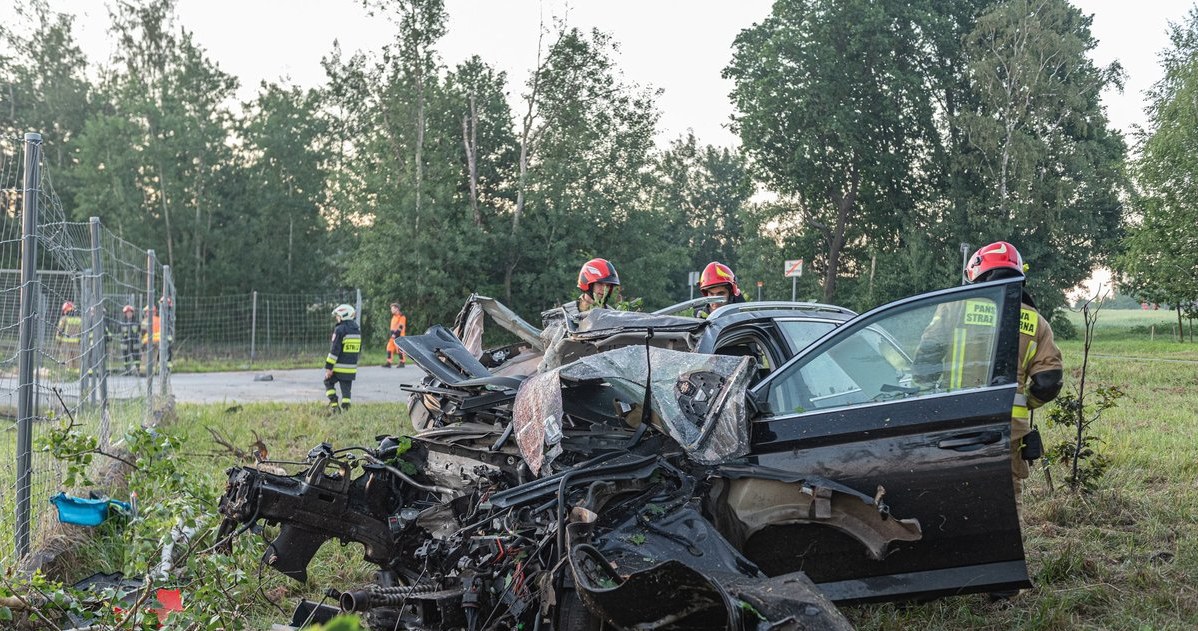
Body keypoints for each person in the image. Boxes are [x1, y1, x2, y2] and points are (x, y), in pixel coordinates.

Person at [914, 241, 1063, 503]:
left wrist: (924, 393)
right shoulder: (1035, 321)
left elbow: (927, 355)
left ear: (977, 274)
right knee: (1005, 503)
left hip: (954, 426)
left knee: (952, 498)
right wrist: (1025, 403)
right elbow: (1049, 380)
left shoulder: (954, 307)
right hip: (1008, 432)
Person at [325, 303, 361, 412]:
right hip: (351, 368)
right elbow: (358, 350)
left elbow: (334, 350)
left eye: (338, 316)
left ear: (343, 315)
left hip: (338, 367)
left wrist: (329, 367)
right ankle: (346, 408)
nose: (337, 318)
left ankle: (334, 404)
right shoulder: (357, 330)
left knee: (328, 382)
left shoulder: (340, 330)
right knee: (346, 391)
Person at [117, 304, 142, 375]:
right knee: (126, 357)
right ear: (125, 314)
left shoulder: (136, 321)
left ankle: (137, 370)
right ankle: (127, 370)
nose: (129, 314)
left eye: (130, 312)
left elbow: (139, 331)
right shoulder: (122, 322)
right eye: (127, 313)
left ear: (132, 313)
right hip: (125, 342)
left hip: (135, 342)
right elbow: (119, 331)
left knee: (136, 356)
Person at [56, 301, 82, 369]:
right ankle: (76, 374)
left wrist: (58, 341)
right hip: (76, 343)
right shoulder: (79, 320)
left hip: (65, 343)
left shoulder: (64, 319)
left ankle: (68, 374)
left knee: (67, 359)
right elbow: (81, 332)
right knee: (76, 359)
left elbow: (59, 331)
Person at [383, 303, 407, 368]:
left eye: (392, 309)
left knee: (399, 349)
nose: (391, 310)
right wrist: (392, 334)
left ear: (397, 309)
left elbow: (401, 327)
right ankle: (389, 362)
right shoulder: (394, 317)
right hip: (393, 336)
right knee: (389, 348)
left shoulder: (402, 317)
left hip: (399, 336)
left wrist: (395, 334)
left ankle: (402, 362)